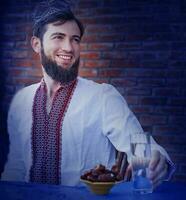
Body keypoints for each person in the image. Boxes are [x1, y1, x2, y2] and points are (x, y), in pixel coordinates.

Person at [1, 0, 175, 188]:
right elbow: (16, 166)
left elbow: (140, 145)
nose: (69, 48)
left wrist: (157, 162)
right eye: (58, 37)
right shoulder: (21, 101)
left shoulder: (103, 96)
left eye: (75, 39)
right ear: (37, 44)